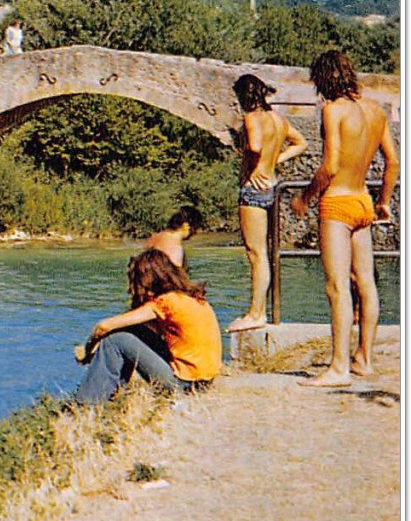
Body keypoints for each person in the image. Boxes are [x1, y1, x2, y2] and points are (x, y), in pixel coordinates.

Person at [290, 50, 400, 387]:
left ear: (322, 80)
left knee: (337, 287)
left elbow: (331, 165)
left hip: (337, 204)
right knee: (365, 284)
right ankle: (363, 359)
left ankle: (338, 368)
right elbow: (393, 163)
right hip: (364, 203)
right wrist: (383, 202)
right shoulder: (376, 111)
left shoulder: (332, 110)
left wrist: (305, 198)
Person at [72, 248, 222, 403]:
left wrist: (88, 349)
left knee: (116, 340)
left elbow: (103, 326)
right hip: (204, 383)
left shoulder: (166, 302)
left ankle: (87, 403)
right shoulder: (192, 298)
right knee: (133, 330)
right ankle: (113, 393)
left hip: (183, 385)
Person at [228, 74, 308, 333]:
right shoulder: (278, 119)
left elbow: (254, 145)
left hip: (253, 189)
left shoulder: (252, 119)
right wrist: (276, 161)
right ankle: (260, 310)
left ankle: (256, 312)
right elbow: (301, 143)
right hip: (272, 186)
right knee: (266, 253)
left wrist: (251, 162)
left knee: (256, 254)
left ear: (243, 96)